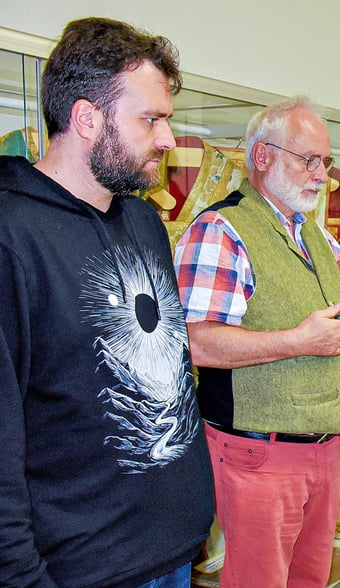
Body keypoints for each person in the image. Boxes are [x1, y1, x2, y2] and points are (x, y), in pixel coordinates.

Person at [0, 17, 214, 588]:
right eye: (151, 119)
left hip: (172, 555)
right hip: (82, 569)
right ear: (87, 118)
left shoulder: (144, 220)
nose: (168, 139)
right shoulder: (12, 235)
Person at [174, 96, 340, 588]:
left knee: (309, 579)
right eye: (309, 160)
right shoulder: (221, 231)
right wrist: (298, 341)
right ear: (263, 156)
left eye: (327, 161)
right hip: (259, 453)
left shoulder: (318, 238)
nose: (323, 175)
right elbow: (198, 343)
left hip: (323, 444)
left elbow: (327, 321)